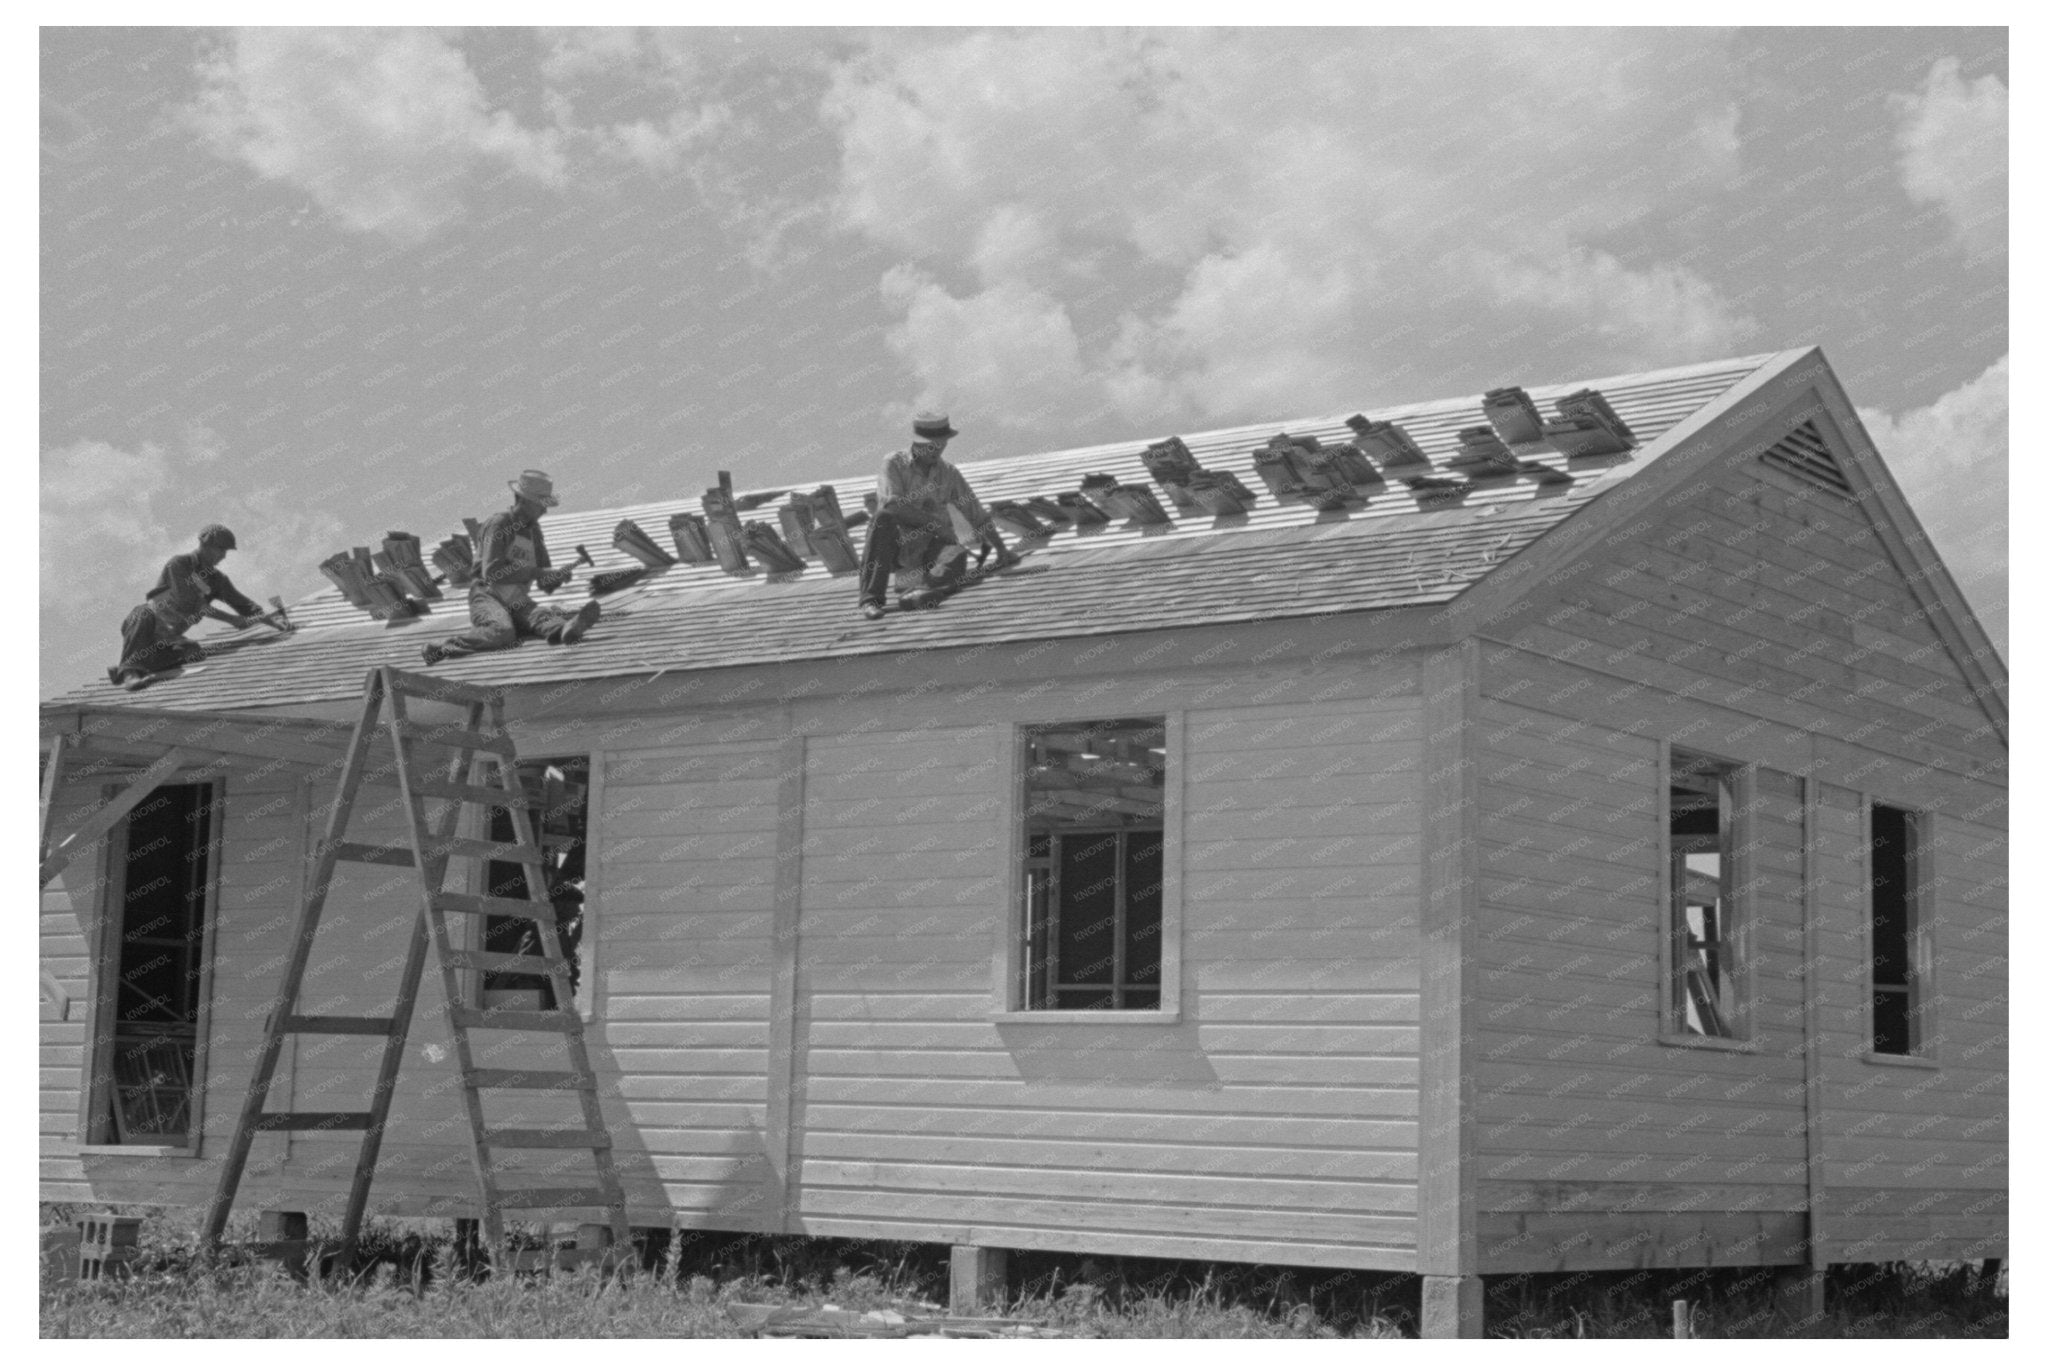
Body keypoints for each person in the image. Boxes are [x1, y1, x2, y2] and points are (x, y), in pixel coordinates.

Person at [422, 469, 601, 665]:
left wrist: (555, 577)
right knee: (502, 631)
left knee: (543, 617)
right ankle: (442, 647)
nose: (545, 510)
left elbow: (544, 581)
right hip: (488, 595)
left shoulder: (534, 533)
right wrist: (539, 572)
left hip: (517, 598)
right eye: (541, 504)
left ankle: (567, 630)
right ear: (524, 501)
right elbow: (492, 572)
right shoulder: (500, 524)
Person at [858, 411, 1018, 620]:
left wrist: (1001, 549)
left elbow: (975, 513)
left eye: (942, 444)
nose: (937, 449)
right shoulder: (894, 463)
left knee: (955, 552)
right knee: (882, 519)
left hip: (932, 546)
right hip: (898, 545)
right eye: (931, 445)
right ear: (917, 443)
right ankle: (871, 600)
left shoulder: (948, 473)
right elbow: (893, 505)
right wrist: (934, 523)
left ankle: (922, 592)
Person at [109, 524, 267, 690]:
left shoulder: (216, 580)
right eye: (221, 550)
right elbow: (192, 603)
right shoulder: (179, 564)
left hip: (168, 636)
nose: (223, 556)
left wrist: (271, 619)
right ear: (206, 546)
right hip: (145, 625)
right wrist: (232, 619)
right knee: (143, 614)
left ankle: (129, 667)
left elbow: (244, 604)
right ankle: (129, 674)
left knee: (193, 652)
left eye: (225, 551)